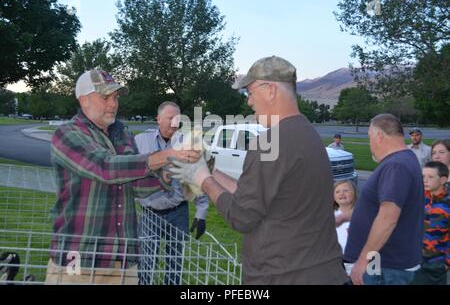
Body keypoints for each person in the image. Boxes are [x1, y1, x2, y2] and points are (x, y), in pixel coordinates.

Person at [167, 56, 349, 284]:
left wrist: (201, 179)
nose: (249, 102)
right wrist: (211, 171)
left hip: (284, 276)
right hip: (322, 272)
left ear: (270, 90)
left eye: (250, 93)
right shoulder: (308, 134)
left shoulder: (271, 141)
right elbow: (258, 196)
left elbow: (241, 216)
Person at [46, 70, 200, 285]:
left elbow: (137, 185)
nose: (113, 104)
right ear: (84, 100)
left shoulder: (124, 135)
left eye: (116, 97)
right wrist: (168, 154)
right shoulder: (67, 134)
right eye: (105, 97)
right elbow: (105, 168)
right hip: (79, 256)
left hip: (123, 259)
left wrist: (175, 169)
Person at [134, 101, 208, 285]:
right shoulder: (140, 141)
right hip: (150, 213)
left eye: (178, 119)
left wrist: (201, 213)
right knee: (145, 261)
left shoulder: (189, 143)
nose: (174, 124)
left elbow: (201, 177)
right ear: (158, 119)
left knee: (175, 262)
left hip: (178, 211)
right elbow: (129, 173)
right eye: (170, 119)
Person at [344, 114, 424, 285]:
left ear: (379, 136)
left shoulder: (396, 166)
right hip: (385, 264)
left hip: (383, 267)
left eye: (370, 137)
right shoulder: (405, 159)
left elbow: (388, 218)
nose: (370, 144)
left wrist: (363, 261)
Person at [411, 161, 449, 285]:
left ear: (443, 180)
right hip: (414, 261)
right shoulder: (420, 198)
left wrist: (447, 263)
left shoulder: (447, 203)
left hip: (436, 264)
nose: (425, 180)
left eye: (430, 177)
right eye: (423, 176)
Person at [333, 180, 357, 254]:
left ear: (354, 193)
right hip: (337, 257)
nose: (341, 193)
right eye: (337, 192)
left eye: (346, 190)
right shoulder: (330, 216)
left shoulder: (362, 214)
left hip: (358, 257)